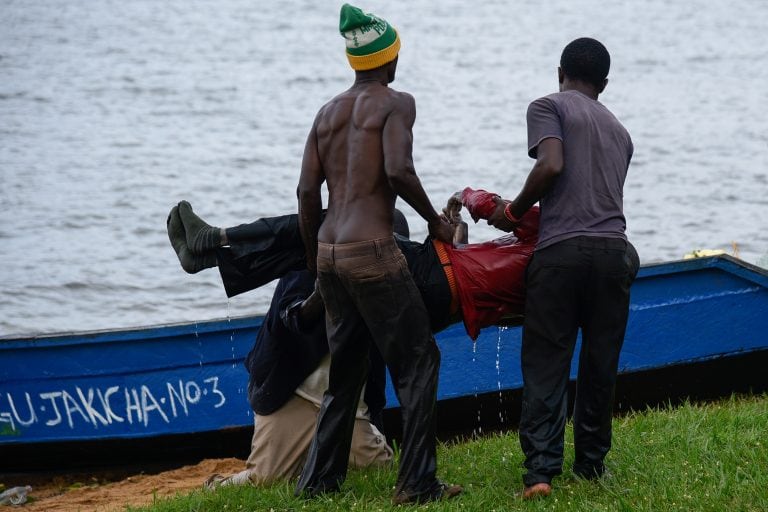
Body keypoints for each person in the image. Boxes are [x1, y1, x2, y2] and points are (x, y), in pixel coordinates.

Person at [292, 4, 462, 504]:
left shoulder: (325, 113)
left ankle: (318, 483)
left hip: (330, 253)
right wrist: (436, 221)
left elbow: (306, 194)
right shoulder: (396, 102)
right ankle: (417, 483)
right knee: (419, 359)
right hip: (373, 253)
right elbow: (397, 170)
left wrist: (313, 260)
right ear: (390, 59)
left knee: (345, 370)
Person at [485, 38, 640, 499]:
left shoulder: (547, 106)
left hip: (561, 256)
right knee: (600, 365)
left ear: (560, 72)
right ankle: (592, 464)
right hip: (614, 253)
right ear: (604, 84)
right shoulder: (620, 131)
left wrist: (511, 212)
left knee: (547, 363)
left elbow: (552, 166)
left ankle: (540, 474)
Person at [170, 206, 394, 488]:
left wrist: (375, 430)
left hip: (345, 403)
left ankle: (215, 249)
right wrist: (323, 295)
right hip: (291, 390)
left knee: (379, 470)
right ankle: (214, 247)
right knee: (265, 479)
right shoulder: (312, 263)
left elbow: (376, 375)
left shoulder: (387, 285)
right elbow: (292, 318)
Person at [167, 192, 538, 340]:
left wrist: (467, 196)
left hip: (433, 279)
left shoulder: (549, 231)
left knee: (339, 223)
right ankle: (212, 254)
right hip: (439, 287)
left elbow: (501, 210)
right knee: (345, 230)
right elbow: (476, 281)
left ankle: (218, 241)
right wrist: (455, 229)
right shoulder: (552, 256)